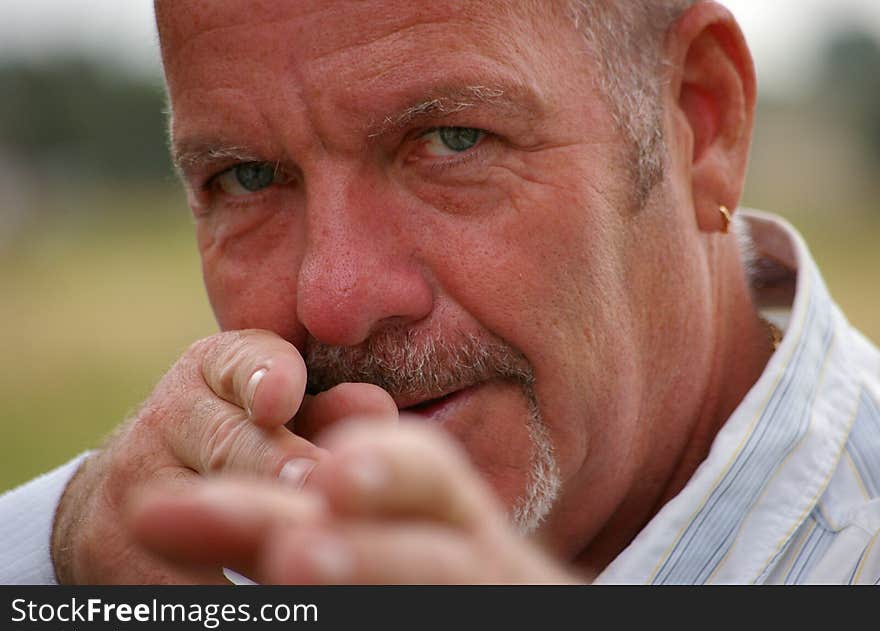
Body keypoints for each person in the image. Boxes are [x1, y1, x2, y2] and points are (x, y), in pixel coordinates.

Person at [2, 0, 879, 585]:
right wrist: (64, 560)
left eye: (453, 139)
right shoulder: (175, 567)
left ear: (701, 119)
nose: (333, 300)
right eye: (247, 176)